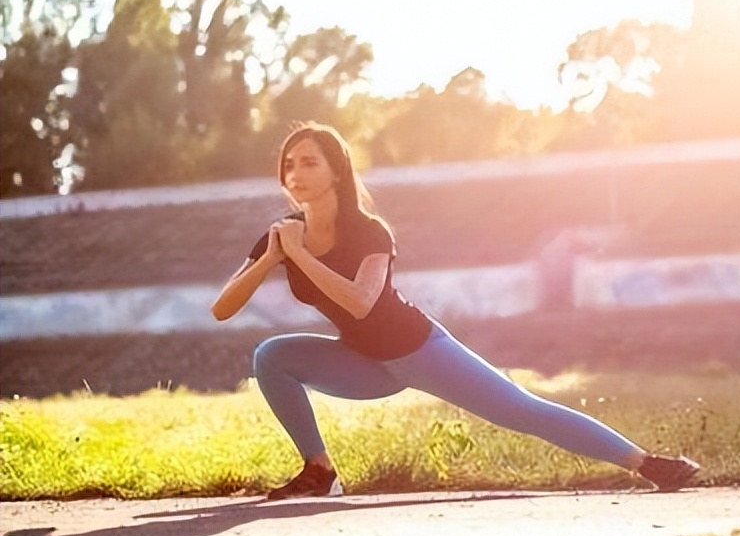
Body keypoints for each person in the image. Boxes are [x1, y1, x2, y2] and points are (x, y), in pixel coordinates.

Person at [211, 121, 699, 500]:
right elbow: (223, 307)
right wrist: (273, 256)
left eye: (310, 163)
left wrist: (297, 256)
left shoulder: (370, 231)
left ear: (337, 170)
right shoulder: (282, 236)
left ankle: (647, 464)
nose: (296, 174)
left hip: (420, 349)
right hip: (362, 364)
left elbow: (361, 301)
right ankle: (320, 471)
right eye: (289, 165)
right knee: (271, 354)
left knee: (521, 409)